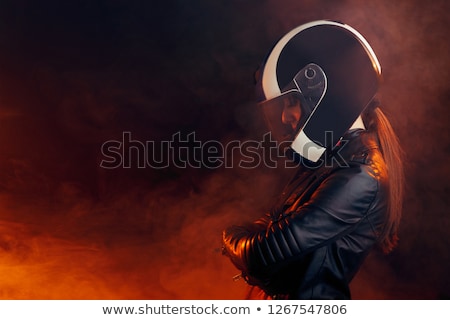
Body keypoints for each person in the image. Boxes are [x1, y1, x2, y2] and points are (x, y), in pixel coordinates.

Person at [221, 20, 404, 299]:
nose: (285, 117)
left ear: (326, 91)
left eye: (291, 102)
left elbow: (263, 253)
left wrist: (229, 235)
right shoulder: (334, 158)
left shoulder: (361, 175)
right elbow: (271, 223)